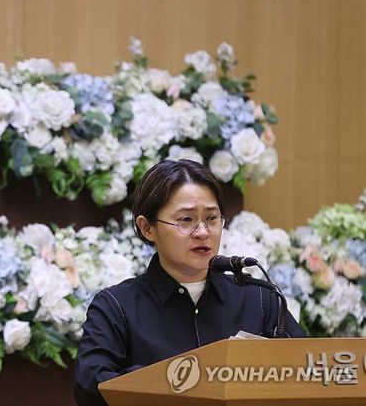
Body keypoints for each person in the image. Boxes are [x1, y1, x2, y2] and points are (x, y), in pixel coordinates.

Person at [73, 159, 305, 406]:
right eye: (186, 220)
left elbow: (309, 372)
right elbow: (91, 388)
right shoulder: (115, 307)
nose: (203, 232)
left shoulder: (260, 299)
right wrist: (174, 381)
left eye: (212, 218)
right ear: (147, 228)